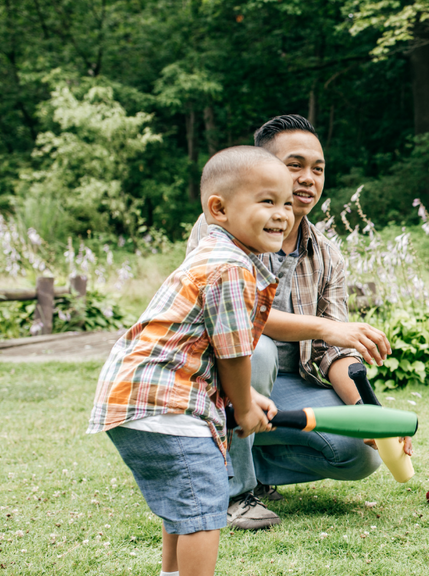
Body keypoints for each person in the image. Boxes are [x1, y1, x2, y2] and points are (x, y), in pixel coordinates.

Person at [186, 114, 405, 531]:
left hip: (290, 382)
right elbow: (238, 319)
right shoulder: (222, 225)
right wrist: (325, 327)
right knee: (259, 350)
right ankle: (234, 493)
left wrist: (373, 416)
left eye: (317, 169)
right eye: (294, 165)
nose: (308, 178)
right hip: (222, 375)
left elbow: (334, 351)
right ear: (261, 170)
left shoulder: (326, 253)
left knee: (360, 454)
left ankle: (252, 465)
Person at [87, 146, 294, 576]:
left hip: (143, 398)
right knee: (204, 503)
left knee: (186, 501)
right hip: (164, 403)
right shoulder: (230, 267)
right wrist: (246, 405)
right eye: (268, 201)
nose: (283, 214)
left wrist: (248, 395)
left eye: (287, 202)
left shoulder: (217, 258)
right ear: (218, 209)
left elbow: (205, 348)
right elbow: (234, 351)